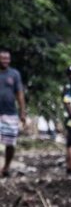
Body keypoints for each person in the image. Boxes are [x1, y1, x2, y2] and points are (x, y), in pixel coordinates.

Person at [0, 49, 28, 178]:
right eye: (3, 58)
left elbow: (20, 94)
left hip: (10, 113)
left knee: (10, 143)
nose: (5, 61)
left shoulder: (14, 74)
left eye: (7, 59)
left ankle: (6, 167)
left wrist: (22, 112)